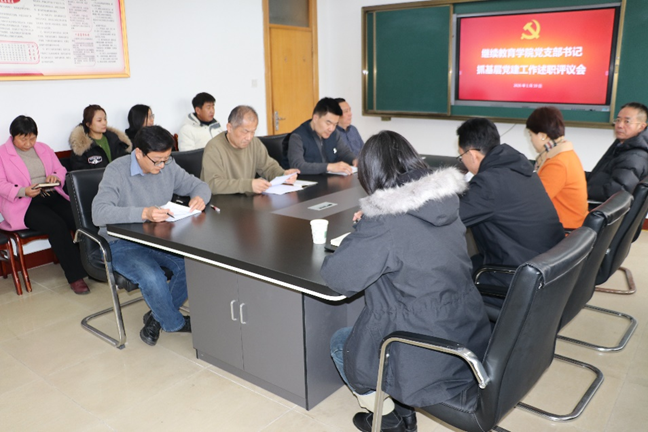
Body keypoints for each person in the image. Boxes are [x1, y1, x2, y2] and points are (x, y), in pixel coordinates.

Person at [322, 131, 490, 432]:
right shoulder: (446, 204)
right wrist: (372, 223)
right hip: (466, 334)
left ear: (372, 174)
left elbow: (339, 278)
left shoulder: (385, 222)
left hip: (422, 354)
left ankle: (389, 420)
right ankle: (405, 411)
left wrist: (366, 227)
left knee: (341, 343)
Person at [92, 126, 212, 346]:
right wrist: (143, 213)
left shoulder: (168, 165)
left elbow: (199, 185)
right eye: (157, 161)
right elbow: (98, 213)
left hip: (157, 239)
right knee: (152, 276)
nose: (162, 166)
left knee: (192, 264)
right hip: (120, 242)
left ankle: (157, 318)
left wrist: (199, 197)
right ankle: (172, 322)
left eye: (166, 159)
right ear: (139, 153)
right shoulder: (116, 171)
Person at [457, 118, 564, 289]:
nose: (462, 161)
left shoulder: (489, 183)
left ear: (472, 155)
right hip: (548, 267)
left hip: (518, 278)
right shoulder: (521, 169)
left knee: (447, 276)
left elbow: (448, 216)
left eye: (461, 156)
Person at [0, 116, 89, 294]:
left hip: (50, 195)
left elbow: (60, 169)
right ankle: (76, 277)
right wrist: (23, 191)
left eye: (32, 138)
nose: (28, 143)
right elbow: (1, 184)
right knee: (56, 225)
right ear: (13, 136)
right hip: (24, 203)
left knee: (78, 218)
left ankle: (93, 263)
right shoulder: (2, 154)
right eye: (23, 139)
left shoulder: (43, 148)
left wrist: (56, 177)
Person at [201, 105, 300, 194]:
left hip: (247, 202)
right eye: (245, 131)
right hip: (222, 203)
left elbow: (268, 167)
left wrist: (283, 175)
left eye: (253, 132)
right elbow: (213, 184)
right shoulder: (214, 148)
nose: (249, 137)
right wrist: (248, 185)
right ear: (230, 128)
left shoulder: (254, 143)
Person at [526, 106, 588, 229]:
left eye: (530, 134)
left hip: (565, 231)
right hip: (569, 227)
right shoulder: (564, 154)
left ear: (542, 136)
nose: (531, 140)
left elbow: (534, 202)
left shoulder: (557, 163)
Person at [587, 102, 648, 202]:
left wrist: (580, 189)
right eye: (618, 120)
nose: (619, 125)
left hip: (599, 208)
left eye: (627, 121)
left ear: (641, 127)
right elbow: (599, 176)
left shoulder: (634, 157)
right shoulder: (621, 147)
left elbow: (614, 193)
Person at [286, 97, 357, 175]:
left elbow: (344, 152)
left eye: (335, 124)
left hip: (330, 179)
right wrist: (329, 167)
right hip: (308, 180)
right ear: (315, 118)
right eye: (328, 123)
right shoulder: (297, 136)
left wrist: (354, 160)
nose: (331, 129)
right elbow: (297, 166)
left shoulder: (334, 133)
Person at [69, 104, 131, 171]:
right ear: (88, 124)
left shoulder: (114, 139)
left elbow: (126, 162)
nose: (104, 123)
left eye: (105, 119)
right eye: (99, 120)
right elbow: (82, 173)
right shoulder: (81, 147)